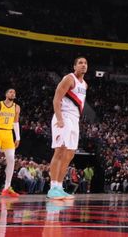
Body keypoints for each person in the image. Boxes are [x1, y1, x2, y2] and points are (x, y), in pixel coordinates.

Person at [47, 56, 88, 200]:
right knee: (59, 151)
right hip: (63, 116)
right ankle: (52, 187)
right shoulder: (69, 79)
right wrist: (59, 119)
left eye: (85, 63)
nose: (83, 65)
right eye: (80, 63)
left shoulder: (85, 85)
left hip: (74, 120)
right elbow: (56, 99)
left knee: (69, 154)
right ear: (74, 66)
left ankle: (59, 186)